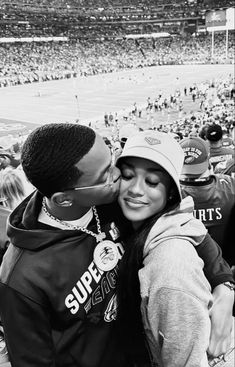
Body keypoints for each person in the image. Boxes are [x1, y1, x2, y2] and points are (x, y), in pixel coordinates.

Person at [0, 124, 234, 367]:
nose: (118, 175)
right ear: (64, 198)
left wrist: (224, 285)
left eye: (113, 162)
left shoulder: (113, 202)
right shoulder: (21, 277)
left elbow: (181, 225)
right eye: (105, 175)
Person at [116, 131, 234, 367]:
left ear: (171, 192)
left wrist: (226, 286)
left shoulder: (171, 267)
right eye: (127, 175)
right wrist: (226, 284)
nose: (136, 189)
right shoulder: (120, 219)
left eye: (152, 181)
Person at [179, 136, 235, 266]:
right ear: (209, 163)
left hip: (187, 271)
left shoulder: (169, 195)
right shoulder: (230, 186)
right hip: (226, 268)